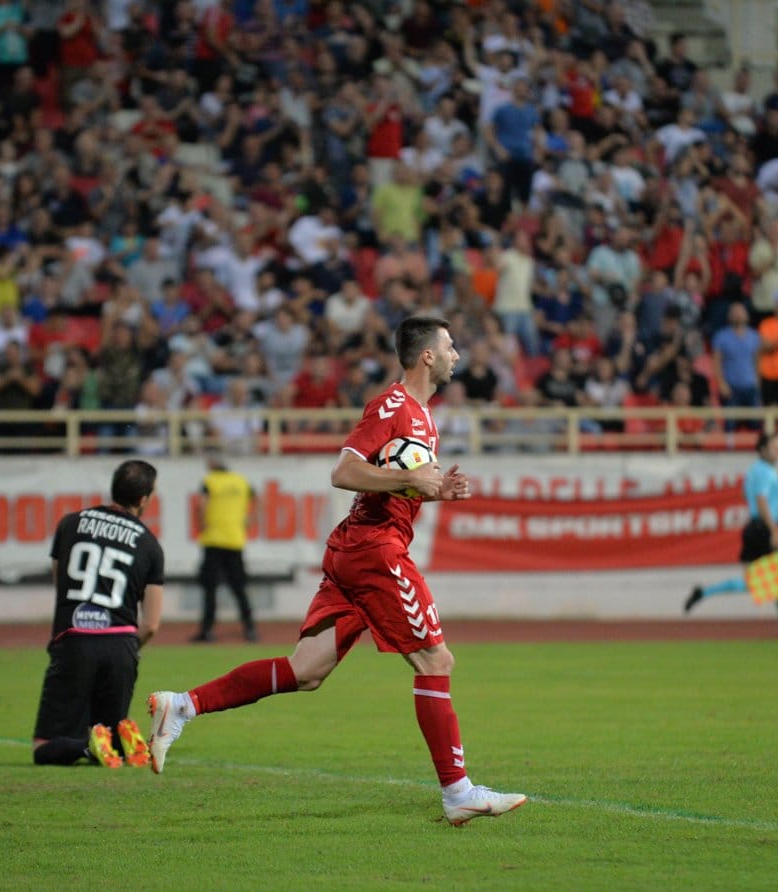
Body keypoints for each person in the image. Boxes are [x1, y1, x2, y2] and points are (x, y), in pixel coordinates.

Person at [147, 316, 527, 827]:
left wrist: (432, 488)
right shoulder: (392, 405)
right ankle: (458, 792)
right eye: (451, 346)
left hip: (359, 547)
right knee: (436, 662)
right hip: (374, 550)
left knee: (306, 671)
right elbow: (343, 471)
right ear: (427, 356)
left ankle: (183, 706)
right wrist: (409, 477)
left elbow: (394, 485)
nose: (458, 355)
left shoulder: (425, 417)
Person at [31, 460, 164, 768]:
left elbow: (60, 582)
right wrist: (127, 647)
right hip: (121, 646)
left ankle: (89, 746)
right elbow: (152, 624)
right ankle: (118, 739)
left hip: (74, 639)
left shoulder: (69, 524)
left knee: (45, 747)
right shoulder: (149, 543)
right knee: (108, 733)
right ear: (144, 499)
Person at [683, 433, 778, 640]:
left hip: (753, 527)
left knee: (766, 581)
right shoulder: (767, 473)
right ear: (762, 449)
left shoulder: (752, 471)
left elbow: (745, 495)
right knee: (774, 580)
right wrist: (774, 529)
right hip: (764, 528)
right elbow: (761, 500)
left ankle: (704, 593)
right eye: (774, 447)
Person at [191, 455, 259, 644]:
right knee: (239, 588)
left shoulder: (209, 481)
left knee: (210, 588)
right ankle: (250, 629)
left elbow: (202, 505)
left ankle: (207, 631)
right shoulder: (241, 482)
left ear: (213, 465)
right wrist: (251, 519)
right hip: (235, 540)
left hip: (213, 540)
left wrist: (202, 524)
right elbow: (256, 499)